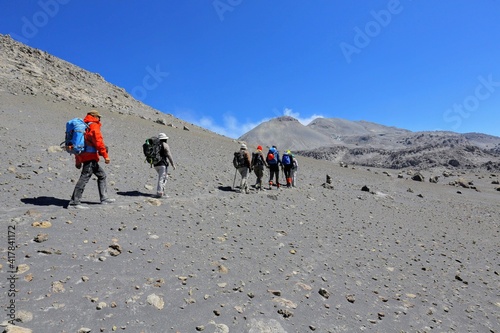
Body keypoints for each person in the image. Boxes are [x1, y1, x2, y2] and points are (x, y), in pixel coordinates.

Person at [69, 110, 114, 209]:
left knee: (102, 175)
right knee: (84, 178)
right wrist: (105, 155)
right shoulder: (93, 126)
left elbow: (78, 144)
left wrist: (78, 160)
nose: (99, 119)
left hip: (84, 156)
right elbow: (98, 141)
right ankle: (74, 203)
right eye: (99, 117)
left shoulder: (84, 126)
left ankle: (104, 198)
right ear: (94, 116)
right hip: (90, 157)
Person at [154, 133, 176, 198]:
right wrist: (173, 164)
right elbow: (169, 155)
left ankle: (162, 192)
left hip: (155, 164)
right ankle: (160, 193)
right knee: (162, 178)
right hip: (162, 164)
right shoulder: (165, 145)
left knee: (165, 177)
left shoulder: (155, 145)